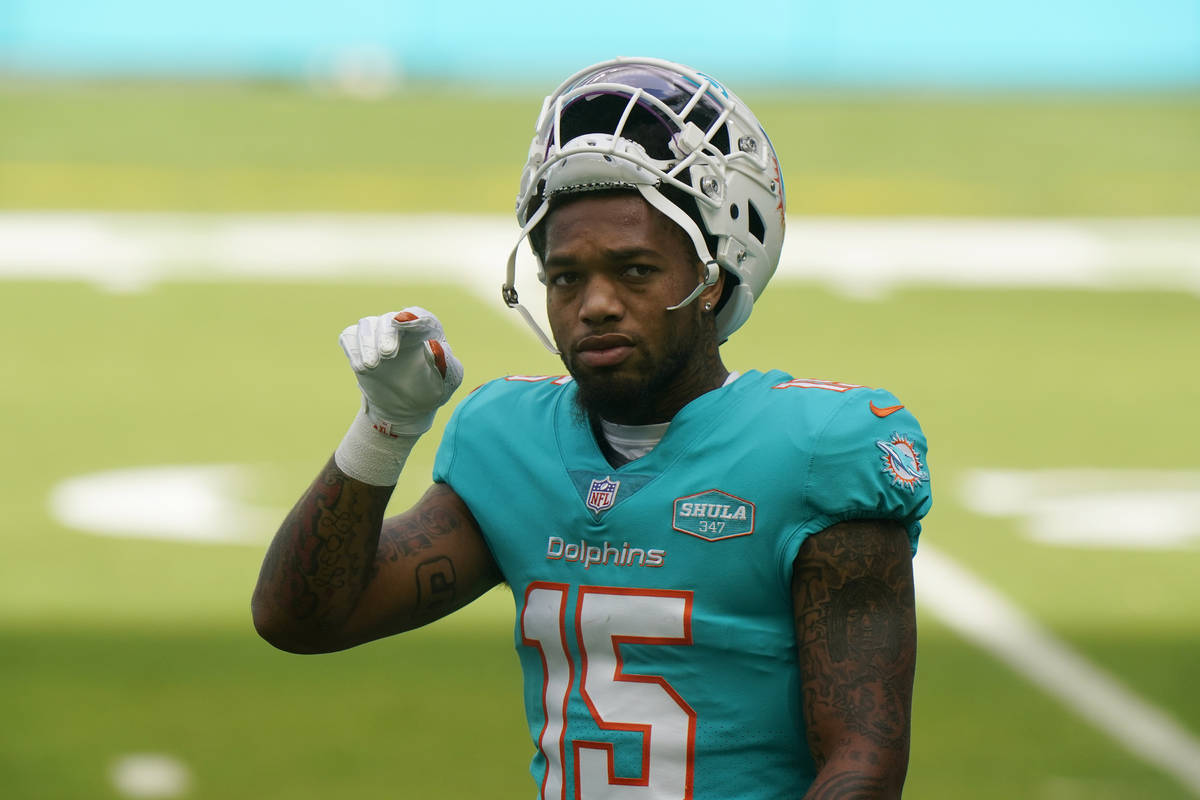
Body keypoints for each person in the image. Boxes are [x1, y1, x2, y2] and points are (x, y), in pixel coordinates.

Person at [252, 57, 932, 799]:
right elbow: (303, 619)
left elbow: (862, 764)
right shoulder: (509, 439)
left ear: (715, 278)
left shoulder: (815, 449)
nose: (596, 303)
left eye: (635, 270)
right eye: (566, 276)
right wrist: (385, 426)